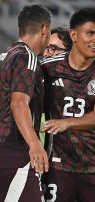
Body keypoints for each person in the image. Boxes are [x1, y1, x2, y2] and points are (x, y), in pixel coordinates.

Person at [0, 5, 51, 202]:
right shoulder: (27, 57)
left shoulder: (6, 55)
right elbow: (18, 103)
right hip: (15, 154)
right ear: (44, 29)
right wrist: (34, 144)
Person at [41, 8, 95, 202]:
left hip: (91, 168)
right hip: (57, 167)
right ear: (73, 35)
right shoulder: (48, 68)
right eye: (90, 33)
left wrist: (67, 123)